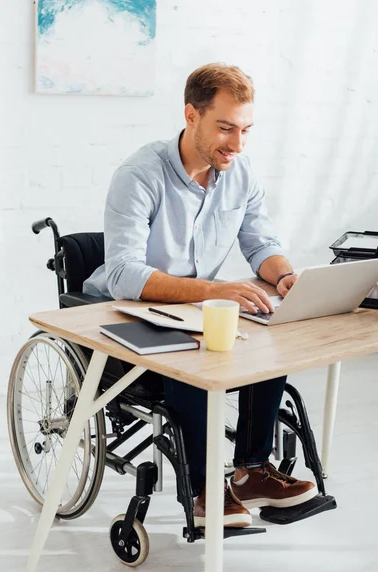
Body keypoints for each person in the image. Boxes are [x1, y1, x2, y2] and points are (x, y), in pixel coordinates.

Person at [84, 63, 317, 527]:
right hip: (122, 312)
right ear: (191, 115)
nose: (237, 144)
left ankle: (251, 471)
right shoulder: (140, 175)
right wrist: (215, 290)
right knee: (192, 359)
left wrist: (286, 276)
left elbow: (261, 244)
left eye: (246, 129)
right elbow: (125, 274)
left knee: (269, 335)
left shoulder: (240, 172)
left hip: (192, 308)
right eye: (225, 128)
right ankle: (206, 490)